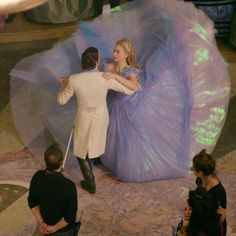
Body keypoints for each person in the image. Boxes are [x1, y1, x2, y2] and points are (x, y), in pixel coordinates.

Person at [10, 0, 230, 182]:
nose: (114, 53)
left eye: (117, 51)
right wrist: (69, 78)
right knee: (103, 137)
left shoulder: (131, 70)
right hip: (114, 107)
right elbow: (93, 75)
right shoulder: (108, 63)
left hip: (132, 107)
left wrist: (115, 77)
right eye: (114, 50)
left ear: (125, 54)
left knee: (122, 145)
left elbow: (133, 87)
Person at [57, 47, 136, 193]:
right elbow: (130, 90)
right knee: (96, 140)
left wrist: (63, 87)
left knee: (81, 151)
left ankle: (90, 182)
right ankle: (97, 159)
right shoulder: (104, 77)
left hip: (83, 118)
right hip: (101, 118)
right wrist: (116, 77)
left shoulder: (74, 79)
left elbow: (61, 100)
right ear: (97, 61)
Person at [28, 143, 78, 236]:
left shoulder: (37, 176)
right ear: (62, 162)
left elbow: (32, 202)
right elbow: (70, 217)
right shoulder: (69, 186)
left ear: (46, 162)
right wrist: (54, 228)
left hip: (45, 226)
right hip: (64, 231)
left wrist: (42, 222)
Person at [191, 149, 227, 236]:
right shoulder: (200, 179)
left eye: (194, 168)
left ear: (200, 172)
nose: (192, 169)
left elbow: (221, 218)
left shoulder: (218, 191)